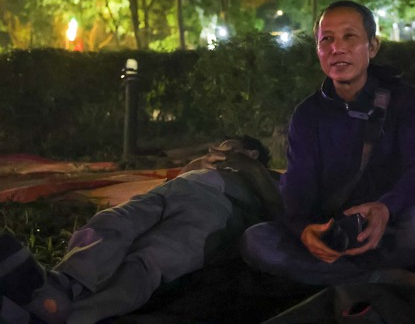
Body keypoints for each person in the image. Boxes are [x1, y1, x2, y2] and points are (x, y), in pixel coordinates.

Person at [241, 0, 415, 286]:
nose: (337, 48)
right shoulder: (307, 114)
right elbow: (297, 184)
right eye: (327, 39)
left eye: (350, 36)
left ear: (372, 46)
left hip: (390, 223)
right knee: (256, 240)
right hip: (332, 231)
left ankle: (333, 277)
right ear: (318, 50)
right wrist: (304, 230)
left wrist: (385, 208)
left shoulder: (403, 99)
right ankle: (374, 278)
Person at [0, 135, 282, 324]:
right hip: (174, 191)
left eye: (229, 146)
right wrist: (197, 164)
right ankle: (61, 286)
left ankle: (72, 316)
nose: (219, 152)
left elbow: (281, 210)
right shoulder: (204, 168)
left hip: (218, 209)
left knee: (150, 262)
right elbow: (182, 175)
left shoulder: (270, 177)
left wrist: (252, 169)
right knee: (113, 222)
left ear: (252, 152)